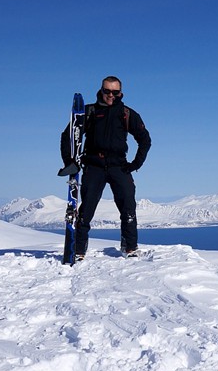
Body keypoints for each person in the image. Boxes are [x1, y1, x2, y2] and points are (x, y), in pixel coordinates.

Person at [60, 75, 151, 260]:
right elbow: (67, 136)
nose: (111, 95)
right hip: (94, 166)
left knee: (128, 207)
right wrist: (70, 162)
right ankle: (78, 250)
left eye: (115, 92)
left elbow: (145, 140)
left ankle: (130, 247)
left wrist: (136, 164)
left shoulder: (127, 114)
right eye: (107, 91)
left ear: (120, 93)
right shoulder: (89, 112)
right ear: (101, 90)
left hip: (119, 166)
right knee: (86, 211)